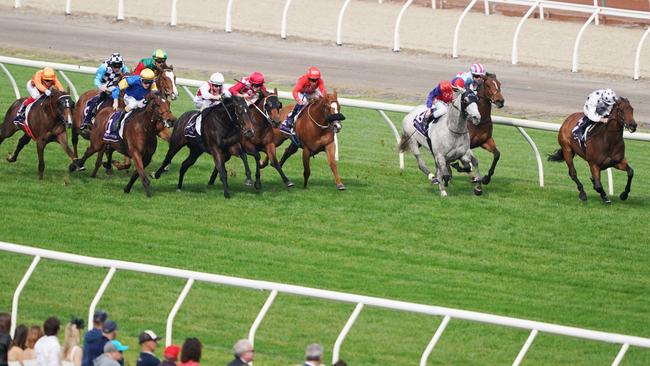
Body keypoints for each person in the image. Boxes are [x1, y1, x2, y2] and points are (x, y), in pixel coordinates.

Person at [105, 68, 158, 141]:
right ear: (141, 79)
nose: (147, 85)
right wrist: (115, 101)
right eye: (145, 82)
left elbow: (155, 93)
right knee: (133, 104)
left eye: (150, 82)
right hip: (129, 97)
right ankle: (118, 119)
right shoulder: (132, 80)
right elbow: (116, 89)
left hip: (141, 99)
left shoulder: (153, 83)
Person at [81, 53, 129, 131]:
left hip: (116, 87)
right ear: (111, 64)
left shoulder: (124, 68)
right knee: (96, 100)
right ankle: (87, 120)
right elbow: (97, 79)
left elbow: (128, 78)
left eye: (119, 66)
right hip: (105, 85)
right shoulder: (104, 67)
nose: (117, 68)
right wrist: (101, 87)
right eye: (115, 66)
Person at [280, 66, 326, 134]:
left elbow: (323, 90)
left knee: (321, 100)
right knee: (303, 102)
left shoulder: (320, 81)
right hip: (301, 93)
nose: (314, 82)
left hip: (311, 92)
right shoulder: (303, 80)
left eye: (316, 80)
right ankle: (289, 120)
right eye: (312, 80)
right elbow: (295, 91)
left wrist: (323, 98)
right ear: (308, 78)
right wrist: (298, 100)